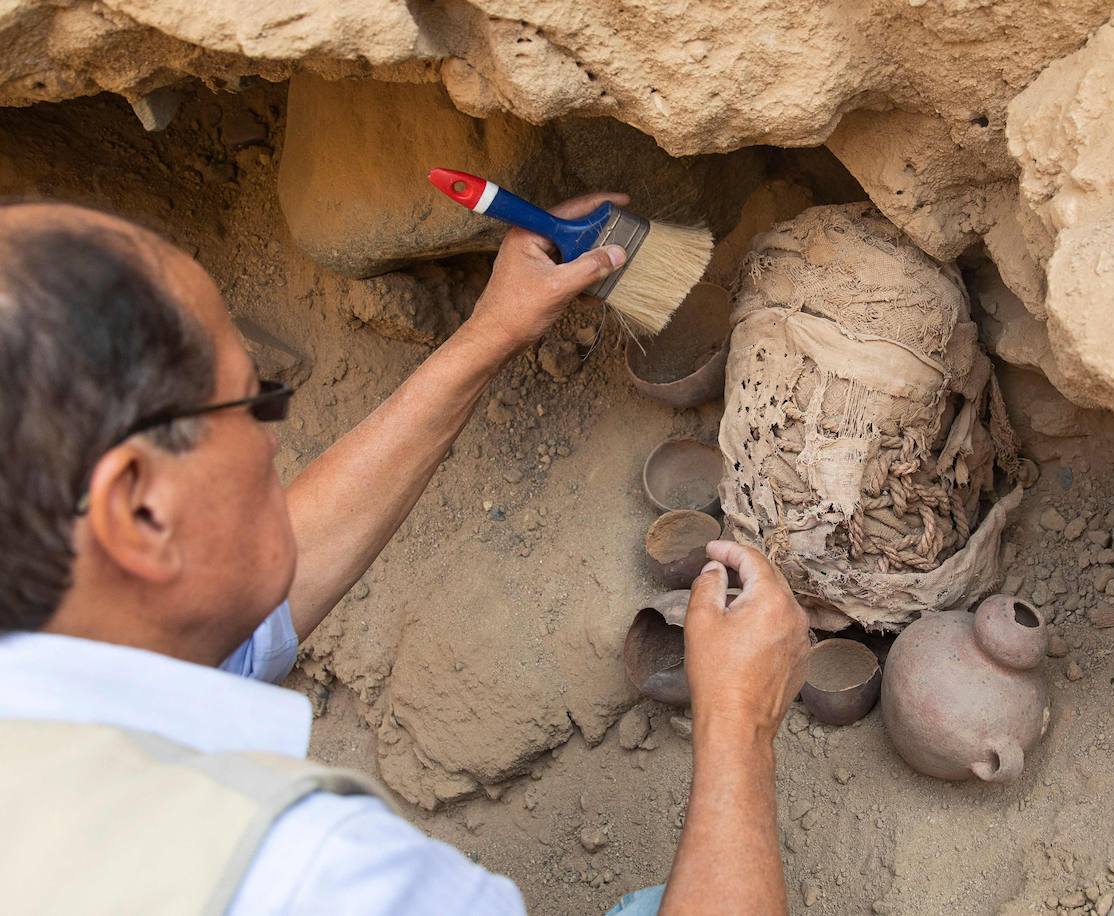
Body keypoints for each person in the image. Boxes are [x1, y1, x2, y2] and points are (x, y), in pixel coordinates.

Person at [0, 198, 811, 915]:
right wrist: (739, 725)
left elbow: (250, 609)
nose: (274, 433)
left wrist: (492, 332)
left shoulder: (60, 658)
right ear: (139, 505)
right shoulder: (321, 876)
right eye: (252, 401)